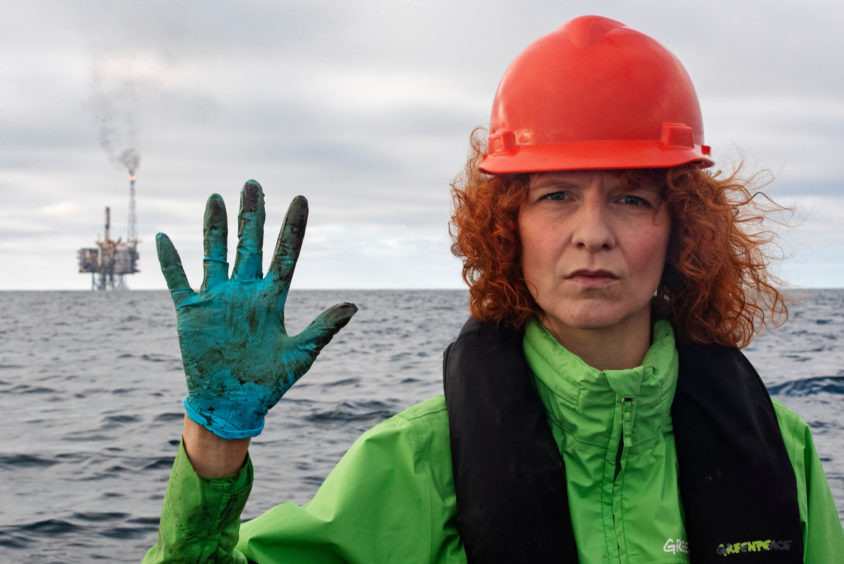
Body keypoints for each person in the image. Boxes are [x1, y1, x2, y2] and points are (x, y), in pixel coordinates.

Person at [144, 15, 843, 563]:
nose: (592, 233)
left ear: (684, 228)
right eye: (556, 195)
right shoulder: (419, 461)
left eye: (632, 199)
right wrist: (214, 441)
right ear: (507, 227)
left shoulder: (780, 450)